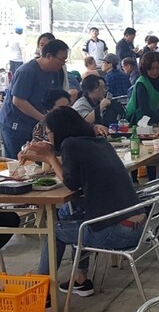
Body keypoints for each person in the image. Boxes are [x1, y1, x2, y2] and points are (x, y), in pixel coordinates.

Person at [19, 107, 145, 301]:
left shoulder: (70, 145)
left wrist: (50, 156)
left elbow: (71, 184)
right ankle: (80, 279)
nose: (48, 136)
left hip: (117, 232)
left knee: (53, 232)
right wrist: (43, 155)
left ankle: (40, 293)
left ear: (58, 130)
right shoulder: (98, 142)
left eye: (49, 132)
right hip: (138, 227)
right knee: (70, 214)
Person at [0, 39, 69, 158]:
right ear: (49, 56)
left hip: (35, 125)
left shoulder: (54, 72)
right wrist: (44, 118)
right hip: (16, 124)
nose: (63, 63)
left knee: (35, 160)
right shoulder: (27, 71)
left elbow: (56, 97)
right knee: (18, 160)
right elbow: (18, 101)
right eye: (62, 59)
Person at [124, 51, 159, 126]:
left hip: (156, 119)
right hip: (139, 121)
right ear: (145, 68)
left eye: (158, 68)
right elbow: (144, 109)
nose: (155, 72)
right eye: (151, 69)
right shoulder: (141, 83)